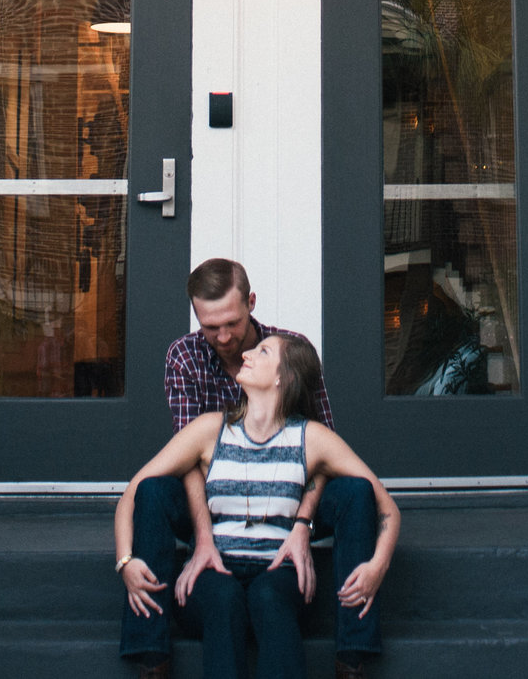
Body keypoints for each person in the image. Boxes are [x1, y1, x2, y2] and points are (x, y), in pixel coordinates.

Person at [115, 328, 397, 679]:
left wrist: (377, 567)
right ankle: (151, 659)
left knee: (270, 593)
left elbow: (386, 506)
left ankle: (352, 659)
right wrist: (125, 561)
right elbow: (133, 492)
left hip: (279, 572)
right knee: (222, 594)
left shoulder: (311, 437)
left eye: (262, 352)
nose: (246, 354)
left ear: (283, 377)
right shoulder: (209, 429)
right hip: (213, 572)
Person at [152, 260, 387, 665]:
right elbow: (188, 460)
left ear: (252, 303)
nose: (224, 338)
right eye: (210, 328)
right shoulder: (185, 357)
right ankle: (150, 656)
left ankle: (354, 656)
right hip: (212, 502)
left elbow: (320, 454)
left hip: (290, 500)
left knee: (355, 490)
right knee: (153, 491)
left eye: (233, 323)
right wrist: (203, 538)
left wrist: (302, 524)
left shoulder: (288, 351)